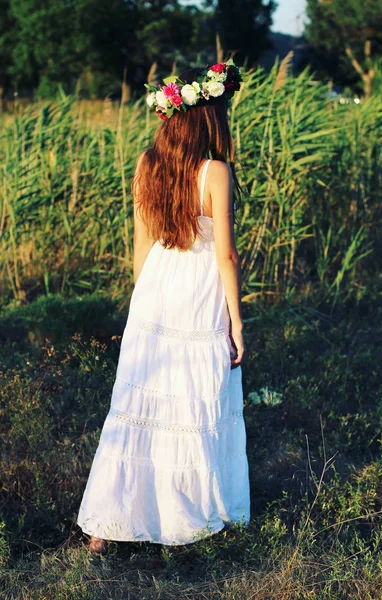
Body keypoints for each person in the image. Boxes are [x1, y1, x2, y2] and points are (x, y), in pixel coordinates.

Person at [77, 61, 250, 554]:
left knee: (139, 402)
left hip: (155, 285)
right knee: (194, 397)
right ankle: (188, 518)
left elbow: (141, 243)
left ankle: (103, 529)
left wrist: (140, 305)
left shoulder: (146, 164)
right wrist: (236, 321)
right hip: (197, 290)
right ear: (205, 120)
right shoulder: (215, 171)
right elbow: (225, 255)